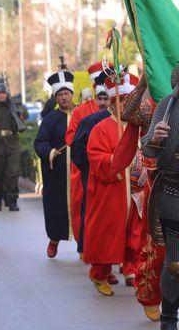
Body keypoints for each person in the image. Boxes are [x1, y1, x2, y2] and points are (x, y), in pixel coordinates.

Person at [83, 72, 144, 296]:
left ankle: (133, 270)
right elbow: (97, 158)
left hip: (138, 192)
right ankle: (99, 272)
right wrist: (118, 163)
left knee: (136, 235)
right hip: (113, 191)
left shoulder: (140, 126)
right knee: (108, 235)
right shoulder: (102, 129)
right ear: (112, 101)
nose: (127, 105)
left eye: (131, 100)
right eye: (123, 100)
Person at [142, 63, 179, 330]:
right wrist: (154, 139)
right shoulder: (167, 105)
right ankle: (168, 321)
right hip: (173, 192)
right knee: (175, 263)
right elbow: (148, 147)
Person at [65, 63, 109, 245]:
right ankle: (86, 244)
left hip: (112, 167)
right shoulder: (81, 112)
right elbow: (71, 138)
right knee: (86, 205)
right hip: (87, 167)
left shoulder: (119, 111)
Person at [34, 70, 75, 258]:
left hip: (79, 171)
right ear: (56, 98)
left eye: (66, 93)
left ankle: (84, 247)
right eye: (60, 94)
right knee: (56, 209)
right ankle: (54, 240)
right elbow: (40, 142)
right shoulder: (50, 119)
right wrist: (50, 152)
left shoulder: (82, 115)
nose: (64, 97)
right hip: (57, 173)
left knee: (82, 209)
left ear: (72, 94)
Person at [0, 78, 26, 211]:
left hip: (12, 142)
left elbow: (24, 115)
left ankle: (12, 200)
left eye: (4, 93)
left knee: (13, 172)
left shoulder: (13, 104)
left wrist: (20, 106)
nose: (2, 95)